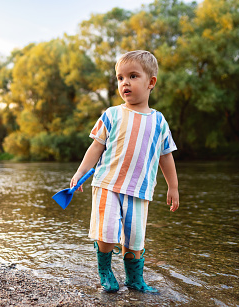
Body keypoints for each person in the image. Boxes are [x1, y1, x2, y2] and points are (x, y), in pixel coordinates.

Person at [71, 50, 179, 293]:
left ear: (151, 82)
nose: (125, 83)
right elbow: (95, 148)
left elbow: (166, 156)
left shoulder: (159, 122)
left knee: (135, 240)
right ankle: (106, 272)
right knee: (107, 233)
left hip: (139, 190)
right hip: (107, 184)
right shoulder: (111, 115)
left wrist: (173, 186)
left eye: (132, 76)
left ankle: (134, 279)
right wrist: (80, 173)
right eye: (120, 78)